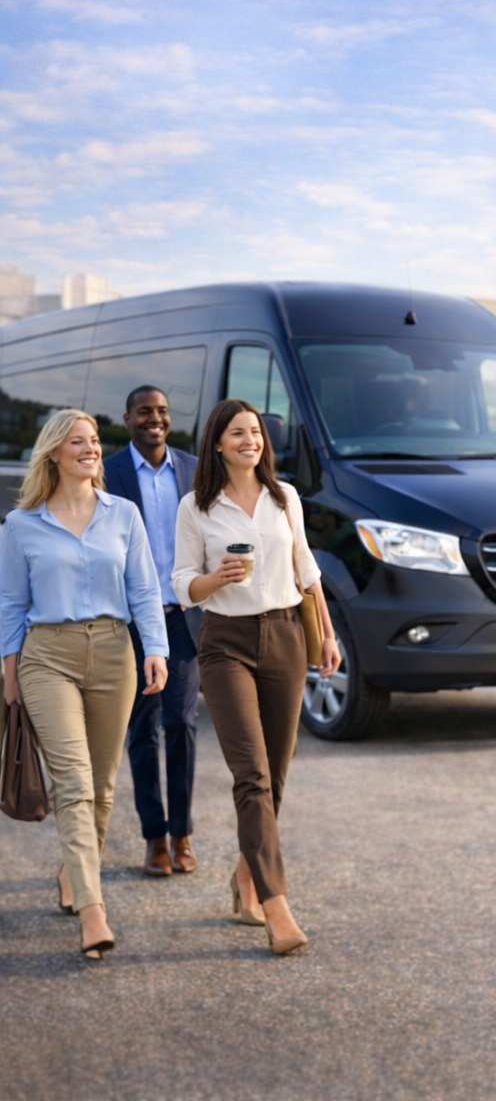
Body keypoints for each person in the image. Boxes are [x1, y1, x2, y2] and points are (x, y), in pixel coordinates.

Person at [172, 397, 341, 956]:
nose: (251, 440)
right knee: (253, 776)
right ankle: (277, 906)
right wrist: (213, 580)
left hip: (287, 636)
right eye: (238, 433)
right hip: (225, 643)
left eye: (257, 433)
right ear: (217, 443)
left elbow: (307, 572)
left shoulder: (282, 497)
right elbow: (180, 584)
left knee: (279, 772)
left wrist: (328, 634)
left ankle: (246, 878)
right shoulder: (196, 507)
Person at [0, 410, 168, 960]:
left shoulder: (123, 515)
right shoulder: (21, 525)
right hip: (47, 656)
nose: (91, 449)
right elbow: (10, 605)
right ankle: (93, 910)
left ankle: (75, 875)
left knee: (101, 785)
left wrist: (156, 650)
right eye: (78, 442)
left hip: (115, 653)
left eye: (95, 440)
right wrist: (9, 674)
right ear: (54, 453)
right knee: (71, 781)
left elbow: (144, 589)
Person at [104, 385, 200, 878]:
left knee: (180, 722)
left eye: (162, 411)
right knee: (141, 729)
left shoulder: (193, 468)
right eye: (145, 412)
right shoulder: (109, 471)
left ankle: (182, 832)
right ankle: (154, 837)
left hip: (182, 616)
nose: (155, 419)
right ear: (128, 419)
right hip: (132, 619)